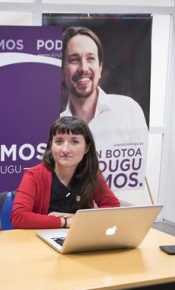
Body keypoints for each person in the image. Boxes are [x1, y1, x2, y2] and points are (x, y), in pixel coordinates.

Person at [11, 116, 120, 290]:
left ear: (87, 146)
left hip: (75, 252)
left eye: (74, 141)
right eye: (59, 141)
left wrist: (76, 218)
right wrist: (64, 222)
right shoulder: (35, 175)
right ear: (50, 146)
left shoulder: (91, 176)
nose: (65, 149)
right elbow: (19, 217)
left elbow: (113, 208)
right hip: (38, 255)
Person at [60, 26, 149, 192]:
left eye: (90, 58)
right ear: (62, 70)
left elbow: (139, 174)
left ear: (100, 68)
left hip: (119, 209)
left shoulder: (129, 110)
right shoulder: (55, 124)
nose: (84, 68)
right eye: (74, 59)